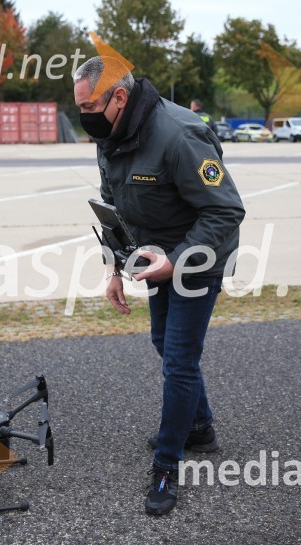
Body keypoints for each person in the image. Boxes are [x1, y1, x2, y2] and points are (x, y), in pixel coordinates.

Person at [73, 57, 245, 516]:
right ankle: (200, 427)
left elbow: (225, 211)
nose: (84, 115)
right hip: (154, 256)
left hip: (198, 256)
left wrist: (179, 261)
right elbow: (112, 204)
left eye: (90, 104)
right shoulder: (109, 132)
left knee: (180, 361)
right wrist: (113, 268)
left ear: (120, 97)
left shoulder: (179, 134)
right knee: (162, 341)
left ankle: (168, 464)